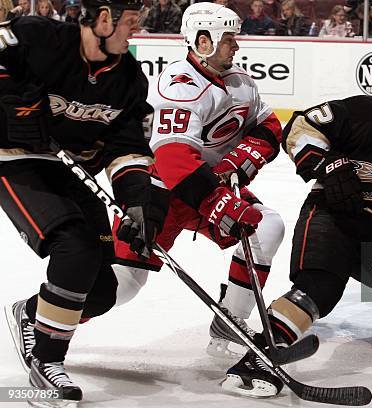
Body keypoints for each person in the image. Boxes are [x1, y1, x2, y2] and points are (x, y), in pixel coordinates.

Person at [228, 56, 372, 395]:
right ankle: (257, 359)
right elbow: (300, 127)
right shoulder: (363, 115)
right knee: (317, 291)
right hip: (332, 220)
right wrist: (326, 166)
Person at [111, 2, 287, 397]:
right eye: (228, 39)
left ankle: (230, 323)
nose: (235, 47)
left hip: (204, 185)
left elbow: (269, 125)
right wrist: (219, 203)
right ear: (201, 40)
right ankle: (42, 315)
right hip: (160, 194)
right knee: (123, 283)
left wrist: (241, 160)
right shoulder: (178, 85)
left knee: (267, 225)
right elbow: (173, 159)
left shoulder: (241, 81)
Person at [1, 1, 166, 405]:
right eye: (130, 22)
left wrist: (136, 201)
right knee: (74, 247)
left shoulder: (128, 79)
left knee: (101, 292)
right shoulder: (39, 37)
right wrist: (13, 102)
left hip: (71, 168)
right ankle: (46, 361)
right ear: (104, 18)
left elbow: (127, 148)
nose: (135, 32)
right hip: (14, 159)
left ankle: (33, 312)